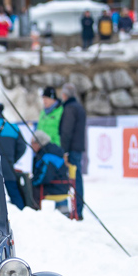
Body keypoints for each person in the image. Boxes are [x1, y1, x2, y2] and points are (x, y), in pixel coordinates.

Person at [58, 82, 87, 220]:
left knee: (73, 180)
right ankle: (78, 209)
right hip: (77, 148)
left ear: (64, 95)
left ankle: (76, 211)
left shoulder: (69, 108)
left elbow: (66, 131)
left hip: (72, 150)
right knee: (78, 179)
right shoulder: (79, 107)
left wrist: (65, 151)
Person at [30, 130, 71, 214]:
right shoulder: (48, 150)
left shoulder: (48, 154)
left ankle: (33, 212)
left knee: (30, 189)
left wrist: (32, 182)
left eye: (32, 143)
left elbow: (45, 176)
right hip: (59, 184)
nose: (31, 146)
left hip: (57, 187)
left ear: (39, 142)